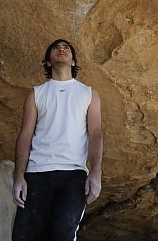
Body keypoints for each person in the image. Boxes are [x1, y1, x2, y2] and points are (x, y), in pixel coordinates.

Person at [11, 39, 103, 241]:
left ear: (73, 62)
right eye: (56, 48)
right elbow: (25, 135)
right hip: (37, 172)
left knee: (63, 234)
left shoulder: (89, 94)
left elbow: (96, 133)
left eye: (66, 48)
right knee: (24, 235)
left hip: (73, 175)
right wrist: (19, 176)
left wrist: (96, 172)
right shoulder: (36, 94)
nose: (61, 49)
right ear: (49, 62)